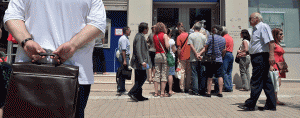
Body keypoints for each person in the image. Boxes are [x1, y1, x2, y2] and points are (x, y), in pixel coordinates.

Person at [3, 0, 106, 117]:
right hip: (74, 75)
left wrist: (26, 41)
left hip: (28, 72)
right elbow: (98, 23)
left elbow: (12, 16)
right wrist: (73, 45)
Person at [238, 12, 276, 111]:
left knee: (256, 80)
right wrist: (246, 52)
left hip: (261, 57)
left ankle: (250, 104)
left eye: (250, 18)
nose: (249, 20)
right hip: (257, 57)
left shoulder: (263, 27)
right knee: (266, 82)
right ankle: (271, 105)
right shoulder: (254, 29)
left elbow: (271, 42)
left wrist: (271, 56)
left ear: (256, 19)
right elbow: (256, 45)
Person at [199, 25, 226, 97]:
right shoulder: (223, 39)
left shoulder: (211, 37)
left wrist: (201, 53)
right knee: (220, 76)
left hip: (211, 60)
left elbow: (206, 46)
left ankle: (208, 92)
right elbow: (224, 50)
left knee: (210, 76)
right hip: (219, 59)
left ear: (215, 30)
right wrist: (221, 56)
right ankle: (220, 92)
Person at [128, 22, 151, 102]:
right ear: (144, 29)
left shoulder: (140, 36)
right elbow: (138, 50)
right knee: (143, 77)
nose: (148, 30)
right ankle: (132, 92)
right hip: (139, 62)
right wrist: (142, 62)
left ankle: (139, 95)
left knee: (139, 79)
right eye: (147, 28)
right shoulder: (139, 37)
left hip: (139, 62)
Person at [188, 22, 207, 95]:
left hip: (193, 58)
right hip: (201, 57)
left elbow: (191, 46)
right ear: (200, 28)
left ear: (194, 28)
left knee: (194, 74)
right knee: (202, 74)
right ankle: (202, 90)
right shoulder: (203, 36)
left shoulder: (191, 36)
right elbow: (205, 47)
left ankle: (195, 90)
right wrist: (200, 53)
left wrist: (196, 54)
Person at [153, 22, 170, 97]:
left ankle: (156, 92)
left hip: (157, 55)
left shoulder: (154, 36)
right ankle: (162, 92)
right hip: (163, 55)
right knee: (164, 74)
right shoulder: (164, 35)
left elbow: (154, 46)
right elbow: (167, 46)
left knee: (157, 74)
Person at [270, 28, 286, 105]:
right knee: (276, 83)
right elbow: (270, 55)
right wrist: (271, 65)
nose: (282, 35)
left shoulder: (278, 44)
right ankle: (273, 99)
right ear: (275, 35)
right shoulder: (273, 44)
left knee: (277, 83)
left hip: (280, 66)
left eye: (282, 34)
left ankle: (274, 99)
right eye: (280, 34)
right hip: (275, 65)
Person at [117, 26, 131, 95]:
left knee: (123, 73)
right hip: (124, 57)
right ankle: (121, 89)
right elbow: (123, 50)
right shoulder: (124, 39)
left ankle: (121, 88)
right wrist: (125, 60)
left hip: (125, 56)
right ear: (126, 31)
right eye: (129, 30)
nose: (130, 32)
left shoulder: (125, 38)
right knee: (123, 73)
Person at [177, 27, 191, 93]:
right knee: (188, 72)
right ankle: (187, 87)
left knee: (182, 71)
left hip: (182, 56)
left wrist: (178, 57)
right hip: (189, 56)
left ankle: (182, 87)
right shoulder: (189, 35)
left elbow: (179, 48)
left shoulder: (179, 37)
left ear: (180, 31)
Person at [221, 27, 234, 92]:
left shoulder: (224, 38)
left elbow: (224, 49)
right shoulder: (230, 37)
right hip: (231, 54)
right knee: (229, 71)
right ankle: (230, 86)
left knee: (224, 71)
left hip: (226, 54)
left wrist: (222, 56)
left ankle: (227, 87)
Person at [166, 28, 176, 96]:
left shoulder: (163, 39)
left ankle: (162, 90)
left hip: (164, 57)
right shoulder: (171, 40)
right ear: (170, 33)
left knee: (164, 73)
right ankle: (170, 90)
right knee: (170, 74)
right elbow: (174, 50)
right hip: (171, 58)